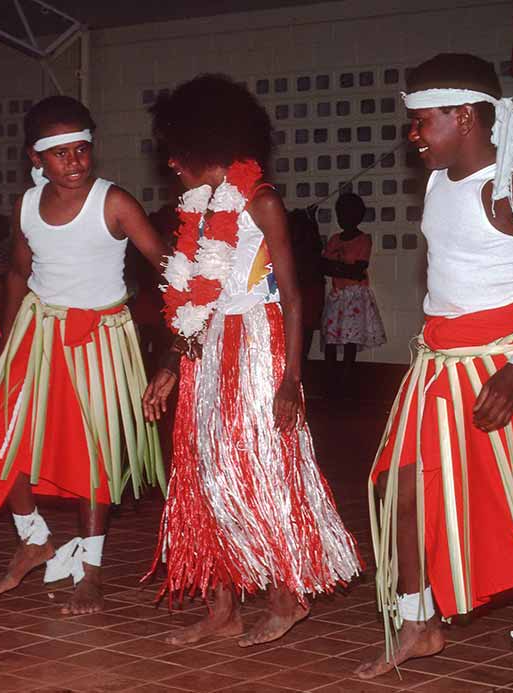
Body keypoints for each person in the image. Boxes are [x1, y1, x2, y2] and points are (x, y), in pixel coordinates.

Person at [355, 54, 513, 691]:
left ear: (466, 116)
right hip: (436, 363)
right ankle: (416, 623)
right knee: (398, 488)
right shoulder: (437, 181)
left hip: (500, 366)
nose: (415, 135)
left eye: (425, 121)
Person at [141, 74, 360, 648]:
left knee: (256, 467)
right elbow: (191, 303)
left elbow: (292, 295)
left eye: (175, 151)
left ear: (202, 143)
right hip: (208, 350)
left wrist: (292, 377)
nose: (169, 164)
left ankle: (287, 598)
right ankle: (222, 608)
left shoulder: (260, 199)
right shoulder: (196, 207)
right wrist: (168, 365)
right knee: (203, 472)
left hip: (257, 346)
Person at [0, 95, 168, 615]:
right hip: (37, 333)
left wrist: (178, 338)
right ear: (36, 158)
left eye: (82, 149)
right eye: (60, 153)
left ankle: (89, 571)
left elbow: (165, 265)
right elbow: (20, 273)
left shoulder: (113, 202)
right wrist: (6, 342)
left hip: (99, 338)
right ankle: (33, 537)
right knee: (0, 436)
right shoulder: (26, 205)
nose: (74, 161)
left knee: (92, 454)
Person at [321, 192, 387, 389]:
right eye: (340, 213)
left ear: (357, 216)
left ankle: (346, 381)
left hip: (355, 296)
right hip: (337, 295)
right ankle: (331, 379)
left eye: (348, 213)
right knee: (331, 338)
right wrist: (341, 269)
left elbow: (357, 271)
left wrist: (336, 267)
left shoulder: (363, 240)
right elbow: (323, 266)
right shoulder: (334, 239)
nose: (343, 218)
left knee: (350, 340)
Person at [288, 207, 325, 362]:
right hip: (308, 294)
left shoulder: (298, 252)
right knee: (303, 337)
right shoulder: (309, 251)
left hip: (308, 294)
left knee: (302, 335)